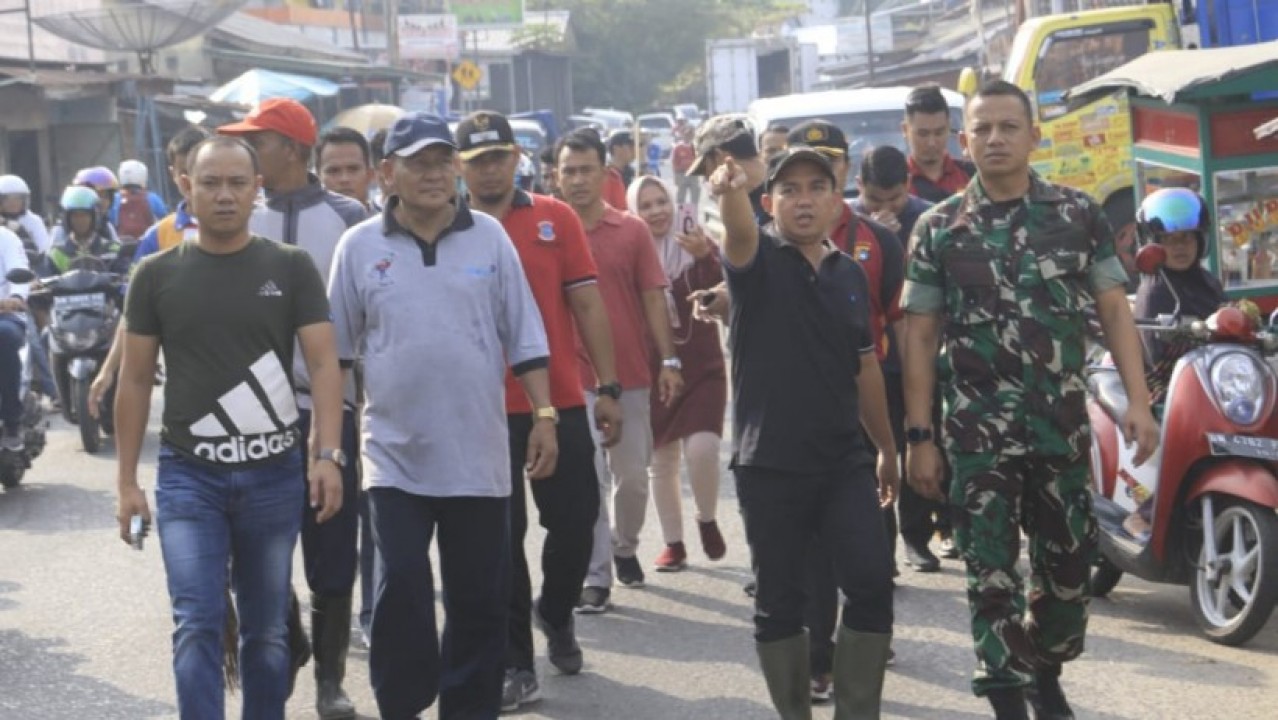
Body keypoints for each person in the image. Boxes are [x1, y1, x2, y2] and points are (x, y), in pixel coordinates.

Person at [901, 80, 1160, 720]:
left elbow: (1114, 311)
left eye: (1008, 126)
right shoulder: (938, 229)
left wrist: (1139, 400)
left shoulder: (1078, 215)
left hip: (1059, 431)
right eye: (981, 128)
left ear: (1033, 136)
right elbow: (920, 335)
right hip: (976, 439)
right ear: (964, 140)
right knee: (990, 577)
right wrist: (919, 436)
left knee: (1068, 577)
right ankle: (1007, 696)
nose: (995, 138)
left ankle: (1045, 668)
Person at [327, 112, 556, 720]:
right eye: (417, 164)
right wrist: (326, 444)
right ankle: (402, 702)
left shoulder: (489, 237)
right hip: (393, 454)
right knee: (400, 583)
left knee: (478, 600)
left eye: (441, 162)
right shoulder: (359, 247)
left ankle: (467, 708)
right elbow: (336, 356)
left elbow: (524, 334)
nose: (433, 175)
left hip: (478, 455)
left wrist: (545, 415)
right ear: (387, 174)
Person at [113, 134, 346, 719]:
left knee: (267, 631)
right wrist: (126, 482)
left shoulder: (289, 267)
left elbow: (324, 363)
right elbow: (135, 380)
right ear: (185, 186)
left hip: (274, 476)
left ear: (256, 189)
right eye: (210, 182)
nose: (224, 195)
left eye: (237, 183)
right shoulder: (155, 274)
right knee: (197, 622)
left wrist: (328, 455)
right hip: (189, 477)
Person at [712, 146, 899, 720]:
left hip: (843, 461)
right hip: (769, 464)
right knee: (780, 602)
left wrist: (887, 449)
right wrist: (730, 191)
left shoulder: (848, 274)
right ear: (770, 202)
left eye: (817, 187)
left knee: (871, 583)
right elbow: (737, 229)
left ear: (836, 200)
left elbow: (865, 367)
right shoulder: (755, 260)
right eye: (789, 189)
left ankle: (856, 712)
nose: (804, 200)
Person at [456, 109, 623, 712]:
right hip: (481, 409)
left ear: (516, 159)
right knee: (502, 539)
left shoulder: (555, 218)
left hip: (557, 399)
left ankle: (555, 610)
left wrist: (609, 385)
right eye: (478, 161)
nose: (490, 170)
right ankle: (516, 663)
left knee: (577, 520)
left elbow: (588, 304)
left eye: (499, 157)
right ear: (461, 168)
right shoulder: (448, 227)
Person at [218, 96, 368, 719]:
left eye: (258, 141)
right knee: (255, 546)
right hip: (249, 413)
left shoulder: (349, 217)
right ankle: (290, 639)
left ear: (292, 149)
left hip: (327, 407)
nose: (248, 152)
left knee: (331, 544)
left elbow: (365, 312)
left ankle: (331, 680)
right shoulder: (235, 213)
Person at [786, 120, 906, 700]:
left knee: (870, 540)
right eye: (800, 172)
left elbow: (896, 330)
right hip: (799, 418)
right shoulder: (766, 246)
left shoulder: (879, 243)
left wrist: (904, 431)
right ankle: (819, 657)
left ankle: (868, 635)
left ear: (843, 172)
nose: (814, 184)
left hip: (868, 404)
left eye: (828, 166)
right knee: (812, 545)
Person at [556, 128, 683, 614]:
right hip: (570, 379)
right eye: (569, 171)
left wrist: (668, 360)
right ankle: (596, 576)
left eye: (586, 170)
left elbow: (653, 297)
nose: (577, 180)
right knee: (588, 480)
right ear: (556, 176)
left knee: (631, 478)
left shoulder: (631, 231)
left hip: (629, 374)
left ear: (604, 173)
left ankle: (624, 545)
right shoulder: (548, 230)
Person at [852, 144, 948, 573]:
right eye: (875, 199)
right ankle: (880, 546)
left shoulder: (930, 218)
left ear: (908, 184)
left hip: (919, 354)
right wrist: (877, 234)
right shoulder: (848, 225)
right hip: (870, 361)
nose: (886, 207)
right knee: (876, 452)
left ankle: (917, 536)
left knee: (919, 440)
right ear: (859, 186)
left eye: (894, 198)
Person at [627, 175, 728, 572]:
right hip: (652, 369)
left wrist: (704, 256)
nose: (656, 212)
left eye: (662, 202)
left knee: (703, 449)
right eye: (646, 205)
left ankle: (707, 518)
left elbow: (721, 291)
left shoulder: (697, 243)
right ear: (633, 212)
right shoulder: (631, 251)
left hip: (703, 365)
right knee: (662, 459)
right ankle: (674, 543)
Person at [89, 126, 212, 419]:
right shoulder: (157, 236)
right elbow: (132, 311)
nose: (193, 181)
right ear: (174, 175)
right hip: (186, 384)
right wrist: (109, 369)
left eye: (202, 170)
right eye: (185, 172)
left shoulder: (254, 225)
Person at [1132, 187, 1225, 404]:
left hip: (1220, 377)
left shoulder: (1207, 281)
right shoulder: (1156, 292)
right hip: (1178, 392)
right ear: (1152, 244)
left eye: (1187, 237)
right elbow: (1159, 363)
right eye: (1168, 239)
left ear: (1200, 239)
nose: (1179, 247)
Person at [0, 174, 56, 404]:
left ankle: (53, 390)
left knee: (39, 335)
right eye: (9, 199)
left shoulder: (28, 225)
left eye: (18, 198)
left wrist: (20, 292)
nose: (14, 203)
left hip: (26, 288)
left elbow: (44, 252)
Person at [902, 83, 974, 203]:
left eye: (939, 133)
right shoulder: (896, 184)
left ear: (949, 127)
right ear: (905, 130)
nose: (932, 143)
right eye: (923, 134)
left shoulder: (971, 175)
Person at [47, 185, 125, 274]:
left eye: (85, 215)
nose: (80, 220)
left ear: (94, 217)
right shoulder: (57, 254)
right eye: (75, 216)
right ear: (67, 219)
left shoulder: (112, 250)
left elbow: (124, 277)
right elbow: (46, 278)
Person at [0, 225, 30, 451]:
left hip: (6, 315)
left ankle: (12, 421)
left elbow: (19, 272)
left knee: (4, 336)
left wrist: (16, 297)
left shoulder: (6, 238)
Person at [318, 127, 378, 211]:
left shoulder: (388, 219)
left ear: (370, 174)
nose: (344, 179)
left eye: (353, 169)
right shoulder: (306, 219)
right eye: (334, 171)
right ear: (318, 177)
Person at [111, 159, 169, 240]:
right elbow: (165, 220)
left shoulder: (114, 199)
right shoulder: (152, 198)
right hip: (148, 243)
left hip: (121, 244)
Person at [0, 174, 51, 258]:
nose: (13, 203)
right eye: (7, 199)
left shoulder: (34, 221)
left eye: (17, 198)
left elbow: (44, 248)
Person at [73, 166, 124, 241]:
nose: (103, 201)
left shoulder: (107, 226)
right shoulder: (65, 228)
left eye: (106, 196)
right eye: (98, 195)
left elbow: (116, 246)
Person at [671, 119, 700, 207]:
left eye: (690, 134)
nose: (688, 136)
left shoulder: (695, 147)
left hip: (693, 173)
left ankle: (693, 210)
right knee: (681, 194)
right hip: (681, 174)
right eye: (687, 134)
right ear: (683, 135)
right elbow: (674, 161)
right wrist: (676, 175)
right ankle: (681, 210)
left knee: (695, 192)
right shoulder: (678, 147)